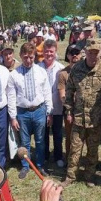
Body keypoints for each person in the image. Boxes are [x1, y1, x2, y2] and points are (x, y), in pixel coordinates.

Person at [61, 39, 101, 188]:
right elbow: (69, 91)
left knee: (93, 149)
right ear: (86, 52)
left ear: (100, 53)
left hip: (96, 119)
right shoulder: (76, 69)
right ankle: (70, 176)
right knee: (74, 149)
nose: (93, 55)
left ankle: (89, 176)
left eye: (96, 52)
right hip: (78, 117)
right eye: (90, 52)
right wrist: (69, 111)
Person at [7, 42, 52, 179]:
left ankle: (39, 165)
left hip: (39, 111)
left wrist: (48, 112)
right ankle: (26, 166)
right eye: (25, 57)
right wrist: (13, 117)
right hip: (23, 112)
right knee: (25, 142)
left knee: (40, 140)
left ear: (35, 56)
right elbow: (11, 96)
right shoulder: (14, 75)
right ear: (20, 56)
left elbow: (47, 92)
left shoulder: (41, 71)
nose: (28, 60)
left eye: (31, 57)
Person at [39, 40, 65, 168]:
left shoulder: (61, 68)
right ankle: (44, 156)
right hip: (42, 107)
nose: (49, 54)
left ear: (55, 52)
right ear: (43, 52)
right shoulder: (37, 67)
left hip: (57, 106)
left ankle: (58, 156)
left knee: (58, 133)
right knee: (43, 134)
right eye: (46, 51)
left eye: (51, 51)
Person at [57, 45, 81, 161]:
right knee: (70, 136)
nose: (74, 55)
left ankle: (81, 160)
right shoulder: (63, 74)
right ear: (67, 56)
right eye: (72, 53)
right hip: (69, 110)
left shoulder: (87, 71)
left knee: (85, 137)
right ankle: (68, 159)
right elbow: (62, 94)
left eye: (77, 52)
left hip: (84, 110)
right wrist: (69, 108)